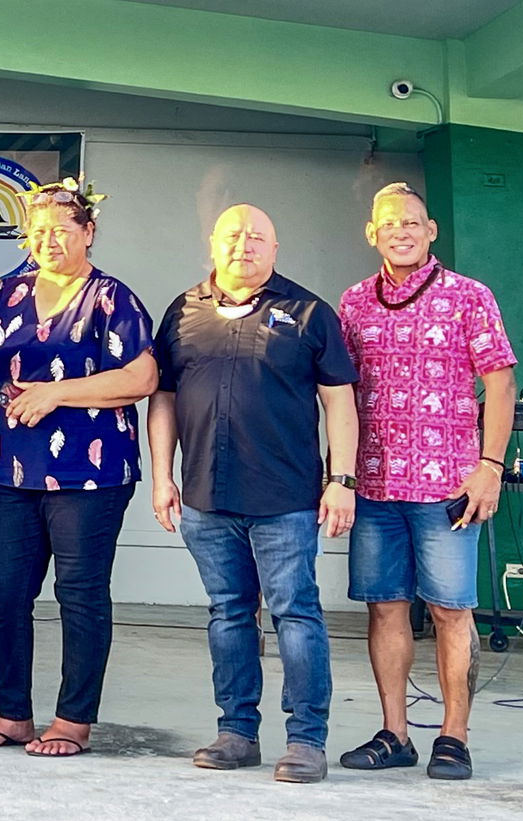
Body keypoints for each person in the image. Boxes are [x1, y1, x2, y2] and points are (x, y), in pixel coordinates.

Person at [148, 203, 358, 783]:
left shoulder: (310, 312)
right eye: (234, 236)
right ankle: (237, 732)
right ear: (213, 244)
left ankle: (306, 740)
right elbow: (162, 397)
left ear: (275, 247)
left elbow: (339, 399)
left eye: (258, 237)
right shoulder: (183, 311)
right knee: (228, 615)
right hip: (204, 498)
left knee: (296, 613)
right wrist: (162, 475)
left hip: (285, 498)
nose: (245, 245)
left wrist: (342, 481)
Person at [0, 179, 156, 757]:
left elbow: (141, 379)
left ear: (88, 233)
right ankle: (12, 714)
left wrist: (56, 393)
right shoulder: (7, 295)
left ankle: (73, 720)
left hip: (90, 476)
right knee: (3, 592)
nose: (49, 242)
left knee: (80, 593)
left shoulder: (110, 297)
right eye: (38, 232)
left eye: (62, 231)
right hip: (15, 471)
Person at [336, 183, 516, 781]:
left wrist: (489, 468)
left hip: (449, 487)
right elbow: (339, 393)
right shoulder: (354, 302)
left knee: (450, 610)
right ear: (372, 234)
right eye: (390, 224)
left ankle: (454, 737)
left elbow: (500, 383)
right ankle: (395, 733)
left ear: (431, 230)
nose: (402, 231)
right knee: (385, 608)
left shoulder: (470, 296)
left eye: (413, 222)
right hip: (377, 484)